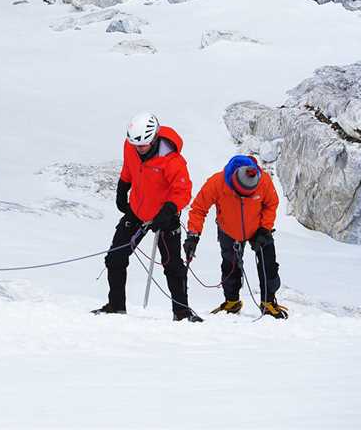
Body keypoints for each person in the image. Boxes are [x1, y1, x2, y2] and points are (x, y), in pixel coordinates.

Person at [96, 112, 201, 322]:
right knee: (115, 257)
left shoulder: (172, 160)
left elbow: (182, 191)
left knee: (172, 266)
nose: (139, 149)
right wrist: (122, 188)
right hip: (137, 211)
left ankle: (181, 313)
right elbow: (129, 168)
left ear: (154, 139)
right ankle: (116, 306)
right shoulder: (131, 146)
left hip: (165, 217)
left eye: (143, 145)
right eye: (135, 145)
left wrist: (169, 210)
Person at [184, 155, 288, 319]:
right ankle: (232, 301)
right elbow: (198, 208)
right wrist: (193, 235)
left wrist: (264, 229)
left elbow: (271, 204)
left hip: (258, 229)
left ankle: (268, 302)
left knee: (268, 264)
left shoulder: (264, 181)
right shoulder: (217, 182)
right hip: (229, 229)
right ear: (234, 182)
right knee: (230, 264)